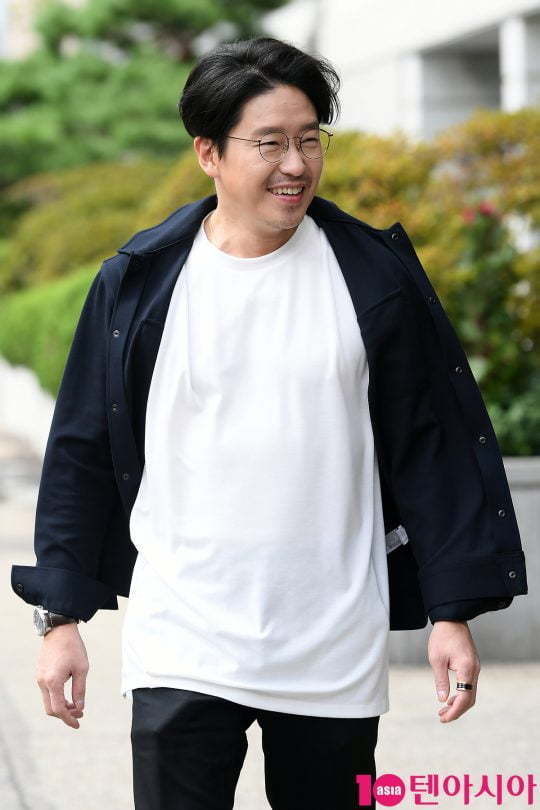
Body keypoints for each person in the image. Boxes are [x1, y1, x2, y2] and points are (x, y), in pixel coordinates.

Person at [11, 36, 527, 810]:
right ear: (209, 153)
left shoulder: (372, 276)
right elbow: (81, 450)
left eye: (310, 139)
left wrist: (452, 611)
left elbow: (432, 448)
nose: (296, 164)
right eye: (270, 143)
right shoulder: (139, 285)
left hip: (332, 647)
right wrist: (61, 619)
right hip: (182, 642)